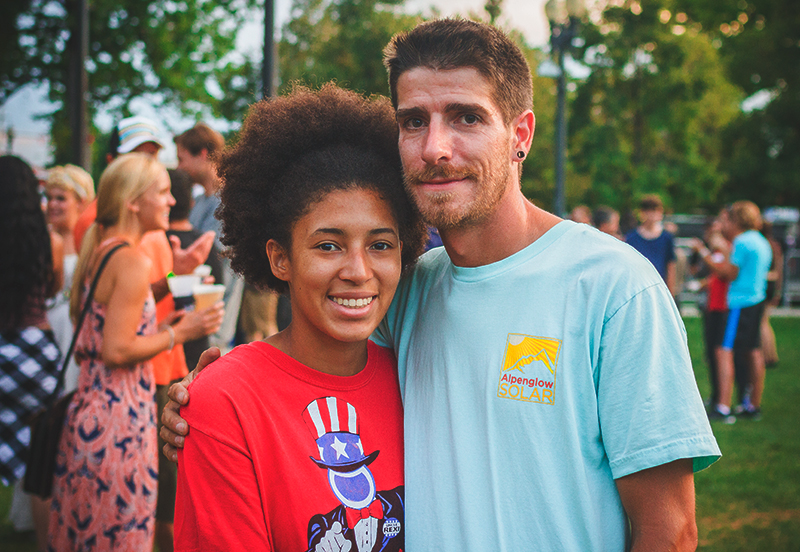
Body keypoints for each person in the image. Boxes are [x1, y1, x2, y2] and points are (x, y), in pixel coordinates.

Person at [164, 19, 719, 550]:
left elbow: (669, 532)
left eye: (466, 118)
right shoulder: (409, 289)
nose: (435, 148)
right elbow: (315, 373)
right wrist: (209, 403)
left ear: (520, 134)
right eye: (413, 121)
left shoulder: (614, 288)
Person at [172, 84, 426, 551]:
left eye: (380, 244)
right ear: (280, 258)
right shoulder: (225, 402)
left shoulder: (418, 381)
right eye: (328, 245)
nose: (358, 271)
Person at [48, 153, 224, 551]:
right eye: (161, 192)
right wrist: (182, 332)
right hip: (118, 420)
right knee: (121, 535)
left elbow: (115, 321)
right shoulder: (131, 260)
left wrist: (174, 277)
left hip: (91, 413)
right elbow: (117, 349)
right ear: (132, 201)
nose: (171, 201)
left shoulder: (105, 248)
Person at [0, 157, 62, 544]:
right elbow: (53, 288)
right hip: (37, 350)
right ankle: (44, 542)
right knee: (42, 456)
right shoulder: (49, 241)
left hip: (3, 344)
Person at [694, 201, 772, 422]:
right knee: (753, 351)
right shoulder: (761, 240)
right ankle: (752, 406)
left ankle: (723, 407)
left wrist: (706, 254)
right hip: (757, 299)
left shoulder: (742, 241)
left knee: (723, 351)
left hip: (739, 302)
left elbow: (728, 273)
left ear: (737, 219)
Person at [175, 122, 244, 350]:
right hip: (198, 323)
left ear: (202, 154)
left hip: (216, 328)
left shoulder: (229, 202)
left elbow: (209, 254)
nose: (179, 167)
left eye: (182, 159)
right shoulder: (200, 201)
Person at [625, 194, 678, 295]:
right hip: (638, 288)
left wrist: (671, 293)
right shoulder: (631, 238)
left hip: (660, 287)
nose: (652, 215)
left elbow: (671, 266)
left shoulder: (666, 238)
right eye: (649, 211)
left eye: (655, 211)